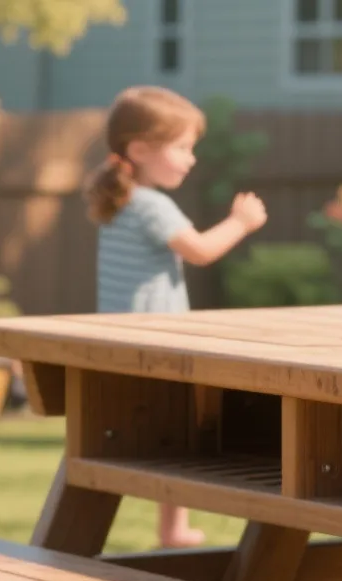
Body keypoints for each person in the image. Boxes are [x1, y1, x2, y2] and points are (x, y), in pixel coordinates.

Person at [85, 85, 268, 549]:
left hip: (125, 337)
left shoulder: (123, 200)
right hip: (155, 340)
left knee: (168, 432)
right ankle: (172, 528)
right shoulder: (150, 205)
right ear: (140, 149)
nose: (190, 159)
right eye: (182, 148)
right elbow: (201, 251)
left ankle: (172, 529)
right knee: (180, 433)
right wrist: (241, 223)